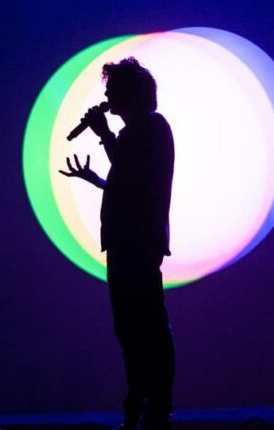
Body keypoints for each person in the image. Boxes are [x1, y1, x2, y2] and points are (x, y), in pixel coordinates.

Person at [60, 57, 175, 429]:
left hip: (139, 243)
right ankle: (138, 402)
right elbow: (129, 185)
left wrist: (102, 133)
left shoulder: (153, 128)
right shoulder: (133, 135)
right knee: (128, 328)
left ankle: (155, 407)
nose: (106, 96)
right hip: (125, 242)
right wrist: (98, 181)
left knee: (150, 327)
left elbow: (140, 181)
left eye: (112, 90)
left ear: (132, 93)